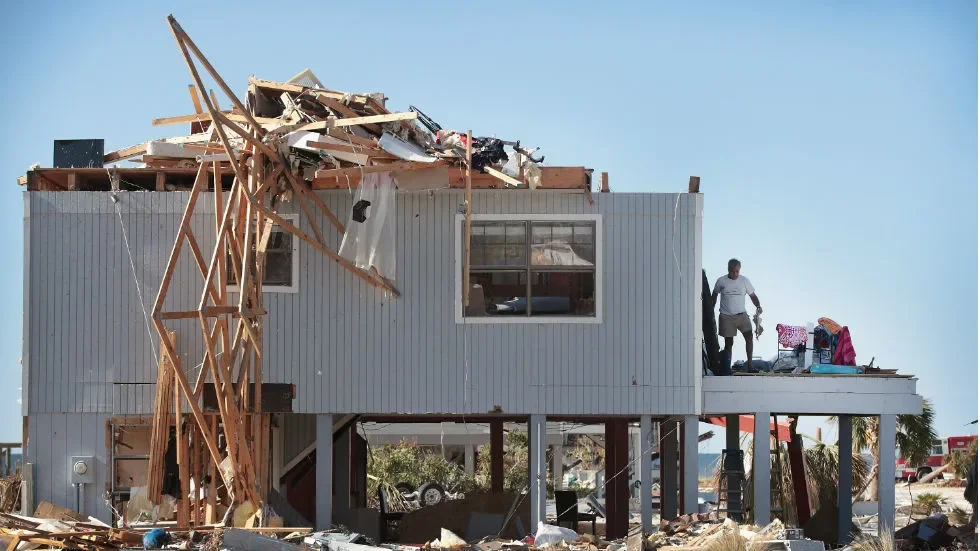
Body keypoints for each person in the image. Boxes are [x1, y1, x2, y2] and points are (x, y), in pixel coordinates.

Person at [712, 258, 762, 370]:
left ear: (739, 270)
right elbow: (714, 294)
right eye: (732, 271)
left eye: (736, 271)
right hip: (726, 316)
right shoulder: (721, 281)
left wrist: (758, 306)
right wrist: (711, 308)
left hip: (741, 316)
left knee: (749, 337)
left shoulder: (744, 281)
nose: (734, 274)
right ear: (728, 269)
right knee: (729, 343)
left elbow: (753, 296)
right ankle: (727, 368)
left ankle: (750, 366)